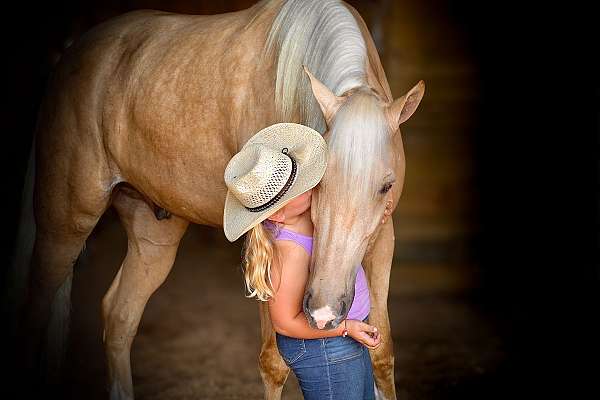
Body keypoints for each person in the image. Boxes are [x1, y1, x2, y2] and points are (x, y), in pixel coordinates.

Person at [223, 122, 390, 400]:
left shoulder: (309, 214)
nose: (310, 183)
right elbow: (285, 323)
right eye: (298, 188)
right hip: (325, 347)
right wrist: (346, 328)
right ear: (276, 214)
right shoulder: (290, 253)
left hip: (342, 337)